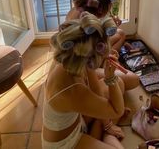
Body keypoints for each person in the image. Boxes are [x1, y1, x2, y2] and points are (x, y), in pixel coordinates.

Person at [42, 12, 125, 149]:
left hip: (77, 122)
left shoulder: (73, 57)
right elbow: (117, 110)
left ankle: (101, 128)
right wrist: (110, 78)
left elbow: (96, 89)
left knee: (119, 84)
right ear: (90, 61)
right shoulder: (72, 90)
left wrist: (107, 123)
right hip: (66, 143)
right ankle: (105, 133)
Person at [65, 0, 139, 91]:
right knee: (134, 79)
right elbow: (88, 54)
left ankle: (105, 62)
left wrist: (110, 23)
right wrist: (106, 57)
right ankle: (104, 64)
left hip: (88, 54)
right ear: (98, 11)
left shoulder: (81, 10)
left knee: (121, 34)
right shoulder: (88, 27)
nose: (106, 15)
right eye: (106, 12)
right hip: (82, 69)